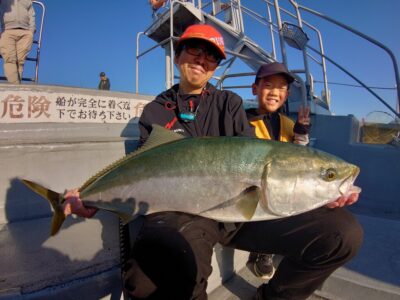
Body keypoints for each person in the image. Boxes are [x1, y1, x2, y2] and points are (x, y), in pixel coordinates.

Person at [63, 24, 363, 300]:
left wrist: (321, 193)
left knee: (342, 235)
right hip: (184, 213)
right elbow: (142, 171)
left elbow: (253, 160)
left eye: (211, 56)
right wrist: (93, 195)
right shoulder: (155, 111)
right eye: (194, 49)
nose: (201, 59)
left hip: (244, 215)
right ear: (179, 54)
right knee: (149, 278)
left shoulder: (228, 104)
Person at [245, 62, 311, 281]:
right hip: (254, 187)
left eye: (281, 87)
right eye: (268, 85)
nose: (275, 92)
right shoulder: (242, 120)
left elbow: (297, 156)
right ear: (255, 89)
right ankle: (262, 253)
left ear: (287, 94)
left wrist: (301, 134)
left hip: (282, 183)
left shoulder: (288, 123)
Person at [0, 0, 35, 84]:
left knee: (20, 61)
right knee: (9, 59)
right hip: (7, 31)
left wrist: (31, 31)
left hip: (26, 32)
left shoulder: (27, 1)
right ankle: (16, 86)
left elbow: (32, 15)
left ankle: (16, 87)